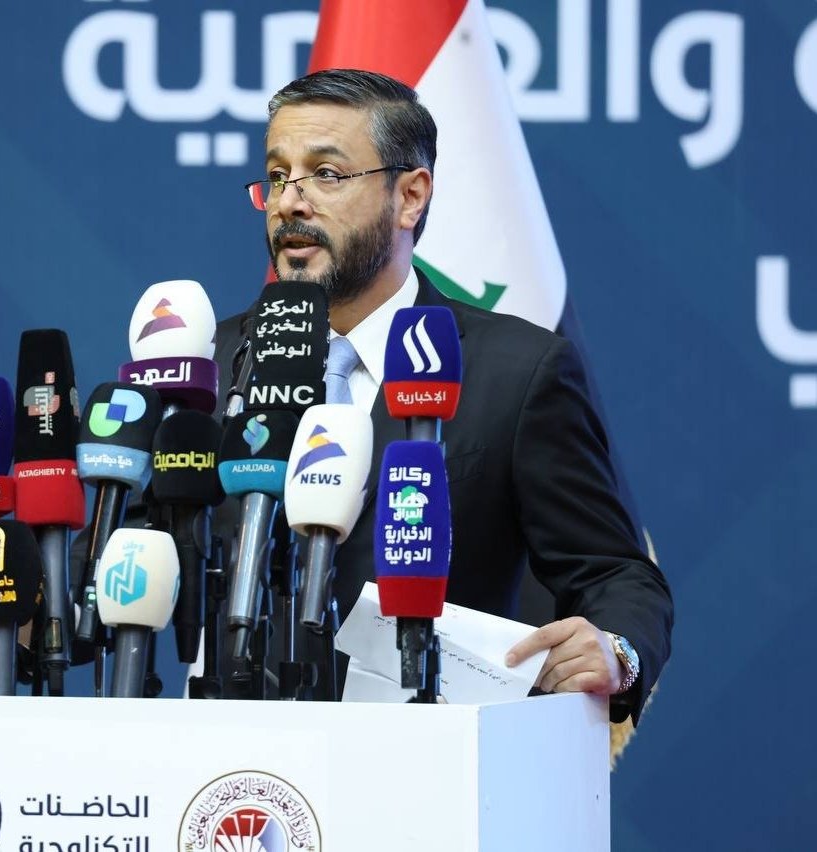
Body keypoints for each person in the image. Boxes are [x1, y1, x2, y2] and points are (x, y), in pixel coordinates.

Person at [212, 68, 672, 725]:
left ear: (410, 196)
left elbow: (614, 574)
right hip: (236, 757)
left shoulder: (514, 372)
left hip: (435, 755)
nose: (290, 201)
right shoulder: (217, 362)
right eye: (278, 176)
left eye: (326, 174)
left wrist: (616, 648)